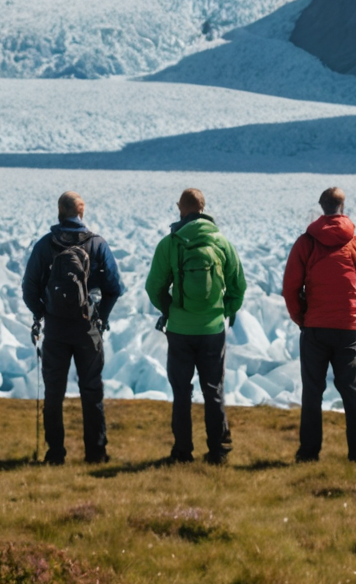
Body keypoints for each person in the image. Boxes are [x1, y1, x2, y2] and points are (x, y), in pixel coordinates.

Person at [282, 186, 356, 462]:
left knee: (313, 392)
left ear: (321, 206)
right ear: (342, 206)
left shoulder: (306, 242)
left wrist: (301, 318)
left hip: (315, 327)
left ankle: (309, 453)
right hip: (349, 327)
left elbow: (290, 287)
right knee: (352, 391)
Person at [145, 188, 246, 464]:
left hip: (180, 330)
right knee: (213, 389)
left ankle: (182, 452)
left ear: (181, 208)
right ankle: (217, 452)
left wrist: (170, 310)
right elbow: (239, 286)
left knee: (181, 391)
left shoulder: (170, 243)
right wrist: (223, 310)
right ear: (204, 208)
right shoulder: (221, 242)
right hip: (212, 330)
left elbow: (153, 287)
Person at [22, 191, 123, 464]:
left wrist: (42, 312)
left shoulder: (45, 245)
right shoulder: (97, 244)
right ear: (82, 212)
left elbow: (29, 287)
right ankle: (96, 454)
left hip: (55, 329)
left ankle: (55, 454)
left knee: (53, 393)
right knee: (91, 390)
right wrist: (100, 316)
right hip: (88, 329)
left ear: (59, 211)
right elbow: (115, 288)